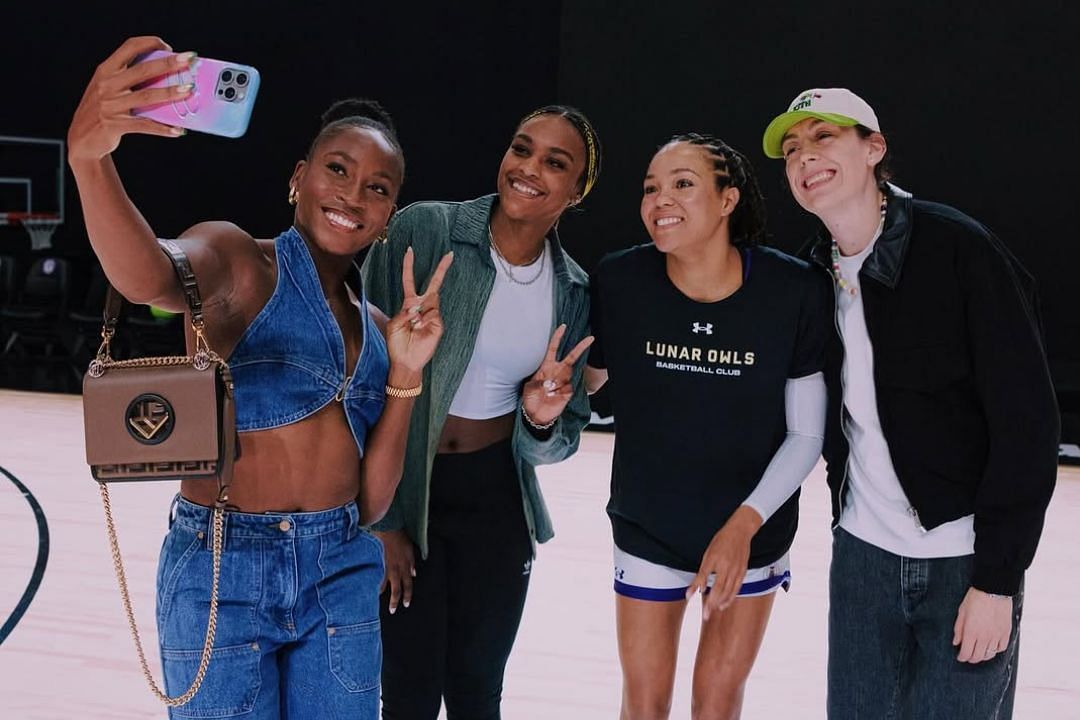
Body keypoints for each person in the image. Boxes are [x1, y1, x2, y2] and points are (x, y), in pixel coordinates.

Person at [67, 36, 452, 720]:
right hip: (225, 565)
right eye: (337, 169)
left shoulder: (379, 324)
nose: (353, 194)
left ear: (389, 214)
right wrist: (88, 158)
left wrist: (407, 377)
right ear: (299, 178)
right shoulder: (240, 262)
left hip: (340, 566)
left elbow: (370, 502)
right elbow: (146, 273)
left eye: (377, 187)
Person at [762, 87, 1060, 719]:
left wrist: (998, 580)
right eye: (791, 149)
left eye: (823, 138)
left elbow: (1028, 425)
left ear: (874, 149)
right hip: (864, 561)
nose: (803, 158)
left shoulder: (960, 249)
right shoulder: (810, 276)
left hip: (964, 562)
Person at [362, 104, 600, 719]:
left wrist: (541, 416)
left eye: (555, 162)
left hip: (496, 500)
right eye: (521, 149)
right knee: (408, 694)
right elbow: (358, 372)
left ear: (578, 190)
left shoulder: (572, 291)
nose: (529, 168)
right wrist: (383, 519)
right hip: (408, 488)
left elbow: (558, 442)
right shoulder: (427, 230)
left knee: (477, 693)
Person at [585, 133, 829, 720]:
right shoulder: (621, 280)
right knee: (643, 706)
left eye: (683, 184)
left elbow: (806, 436)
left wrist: (741, 527)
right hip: (650, 526)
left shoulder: (792, 290)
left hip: (752, 531)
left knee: (716, 704)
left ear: (727, 200)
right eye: (650, 187)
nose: (660, 199)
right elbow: (589, 389)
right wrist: (556, 393)